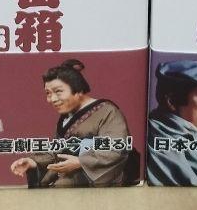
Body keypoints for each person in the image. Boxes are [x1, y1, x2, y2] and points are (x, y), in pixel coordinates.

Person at [9, 59, 134, 187]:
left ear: (78, 90)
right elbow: (58, 150)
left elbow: (116, 148)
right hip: (67, 179)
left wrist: (80, 162)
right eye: (48, 93)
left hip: (90, 186)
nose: (52, 99)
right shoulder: (66, 117)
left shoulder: (107, 112)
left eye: (58, 92)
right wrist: (32, 162)